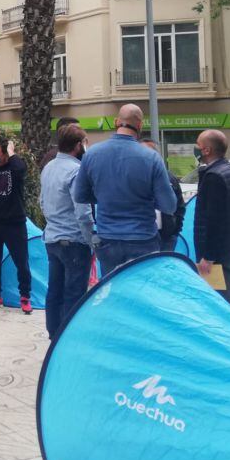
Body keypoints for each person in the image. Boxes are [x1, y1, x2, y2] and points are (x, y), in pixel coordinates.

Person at [72, 104, 177, 274]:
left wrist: (105, 196)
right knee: (143, 292)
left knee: (114, 293)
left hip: (107, 239)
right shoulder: (151, 158)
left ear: (116, 122)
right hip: (142, 239)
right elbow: (169, 206)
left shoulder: (92, 154)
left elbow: (80, 196)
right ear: (140, 125)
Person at [39, 124, 94, 338]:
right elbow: (83, 212)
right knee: (74, 293)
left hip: (52, 238)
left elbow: (42, 202)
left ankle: (54, 334)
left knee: (54, 291)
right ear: (78, 145)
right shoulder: (76, 170)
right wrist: (91, 239)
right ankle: (70, 338)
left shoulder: (49, 167)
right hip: (74, 241)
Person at [192, 130, 230, 310]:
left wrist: (208, 257)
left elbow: (215, 220)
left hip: (219, 252)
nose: (195, 148)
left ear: (207, 150)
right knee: (225, 292)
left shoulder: (214, 177)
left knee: (221, 299)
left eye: (198, 145)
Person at [0, 137, 32, 314]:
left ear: (5, 154)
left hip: (14, 224)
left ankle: (25, 297)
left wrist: (12, 152)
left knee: (21, 262)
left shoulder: (14, 168)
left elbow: (21, 169)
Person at [141, 137, 185, 252]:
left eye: (151, 151)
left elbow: (180, 206)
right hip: (142, 238)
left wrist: (175, 231)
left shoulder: (169, 177)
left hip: (166, 237)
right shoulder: (134, 177)